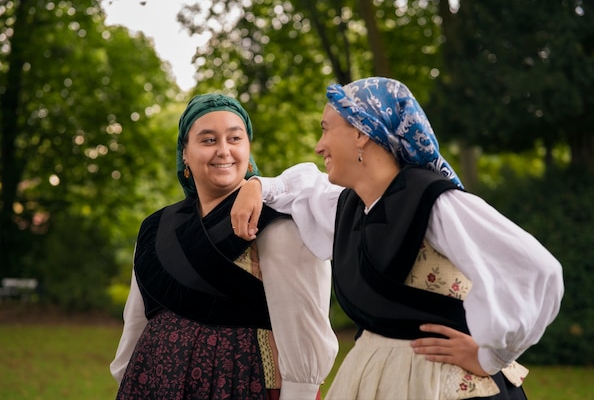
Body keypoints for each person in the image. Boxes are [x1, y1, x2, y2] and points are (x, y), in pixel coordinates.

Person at [230, 77, 564, 400]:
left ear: (362, 133)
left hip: (438, 385)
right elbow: (303, 189)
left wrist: (491, 357)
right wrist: (256, 185)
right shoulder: (351, 206)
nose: (319, 146)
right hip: (377, 378)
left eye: (326, 129)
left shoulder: (436, 203)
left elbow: (538, 270)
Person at [110, 93, 338, 400]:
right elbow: (137, 318)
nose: (223, 150)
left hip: (241, 381)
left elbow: (305, 322)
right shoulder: (156, 227)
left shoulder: (279, 223)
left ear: (247, 148)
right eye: (207, 140)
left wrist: (301, 392)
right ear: (185, 154)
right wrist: (129, 376)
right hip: (155, 378)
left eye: (235, 138)